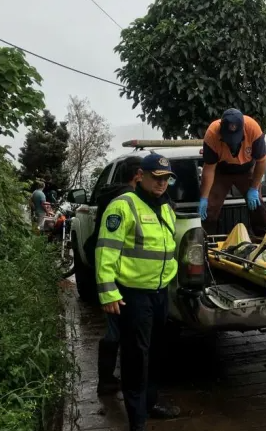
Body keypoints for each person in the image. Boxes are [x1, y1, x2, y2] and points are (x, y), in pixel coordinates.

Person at [96, 153, 181, 431]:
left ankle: (150, 402)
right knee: (136, 356)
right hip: (132, 294)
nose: (161, 184)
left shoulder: (165, 207)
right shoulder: (123, 206)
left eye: (166, 179)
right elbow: (106, 251)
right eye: (156, 178)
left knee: (156, 352)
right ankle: (137, 419)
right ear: (140, 176)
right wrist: (108, 293)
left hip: (159, 292)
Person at [87, 156, 143, 395]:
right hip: (120, 272)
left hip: (109, 268)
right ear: (138, 175)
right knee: (118, 329)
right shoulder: (129, 200)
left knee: (114, 328)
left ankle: (107, 379)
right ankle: (109, 381)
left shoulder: (110, 194)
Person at [199, 108, 266, 237]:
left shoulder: (253, 128)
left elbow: (261, 161)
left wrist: (254, 188)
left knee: (257, 204)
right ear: (221, 128)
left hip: (246, 170)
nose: (232, 141)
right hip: (221, 171)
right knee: (210, 206)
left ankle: (263, 239)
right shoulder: (212, 133)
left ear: (243, 128)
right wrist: (204, 197)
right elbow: (209, 169)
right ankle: (207, 241)